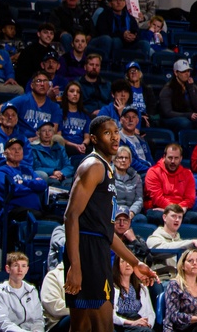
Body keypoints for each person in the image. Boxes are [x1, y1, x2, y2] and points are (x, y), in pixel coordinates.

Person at [63, 116, 158, 332]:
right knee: (102, 326)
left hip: (97, 247)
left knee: (83, 327)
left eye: (116, 132)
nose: (115, 137)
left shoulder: (107, 168)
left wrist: (134, 263)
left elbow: (105, 230)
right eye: (108, 133)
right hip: (86, 251)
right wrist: (75, 267)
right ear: (94, 139)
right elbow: (70, 216)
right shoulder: (94, 166)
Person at [144, 144, 197, 225]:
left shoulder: (187, 173)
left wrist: (178, 210)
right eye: (170, 158)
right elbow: (157, 198)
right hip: (160, 209)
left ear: (181, 158)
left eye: (176, 158)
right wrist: (175, 210)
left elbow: (190, 199)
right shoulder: (153, 172)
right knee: (158, 217)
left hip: (181, 209)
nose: (173, 161)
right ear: (164, 156)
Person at [0, 253, 44, 332]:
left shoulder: (32, 291)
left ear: (27, 269)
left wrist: (37, 330)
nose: (20, 270)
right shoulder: (0, 292)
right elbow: (2, 321)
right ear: (8, 269)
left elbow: (38, 319)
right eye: (16, 265)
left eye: (23, 266)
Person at [112, 255, 156, 332]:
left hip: (139, 323)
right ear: (117, 265)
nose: (128, 264)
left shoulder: (142, 288)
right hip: (120, 325)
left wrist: (147, 323)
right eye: (123, 261)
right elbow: (111, 316)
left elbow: (150, 313)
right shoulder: (112, 288)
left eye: (130, 262)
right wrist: (132, 323)